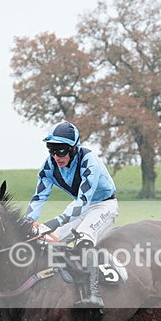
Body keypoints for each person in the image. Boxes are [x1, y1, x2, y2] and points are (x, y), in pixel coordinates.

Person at [25, 121, 118, 308]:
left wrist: (55, 221)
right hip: (79, 206)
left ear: (74, 149)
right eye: (52, 150)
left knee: (83, 236)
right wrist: (28, 221)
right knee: (47, 239)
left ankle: (94, 294)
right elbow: (39, 197)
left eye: (61, 151)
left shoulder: (89, 161)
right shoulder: (48, 166)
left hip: (103, 205)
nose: (56, 156)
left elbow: (83, 201)